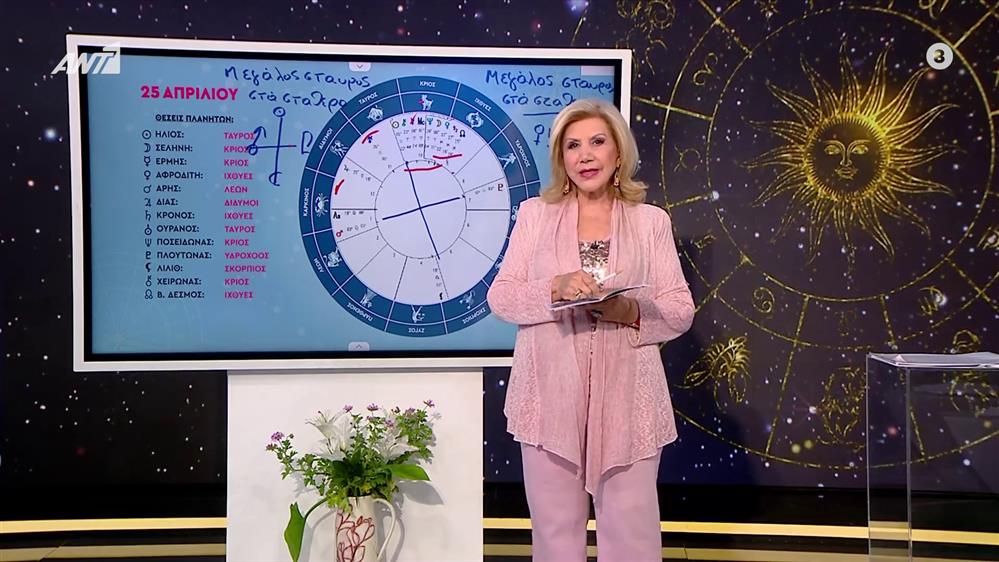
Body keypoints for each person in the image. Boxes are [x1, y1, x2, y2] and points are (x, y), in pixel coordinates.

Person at [486, 98, 695, 561]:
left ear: (618, 152)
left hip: (629, 402)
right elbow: (501, 298)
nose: (585, 155)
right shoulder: (535, 216)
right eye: (573, 146)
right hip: (548, 400)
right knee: (555, 535)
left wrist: (629, 311)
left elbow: (680, 309)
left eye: (597, 142)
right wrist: (555, 288)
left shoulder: (651, 222)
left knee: (631, 536)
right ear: (561, 158)